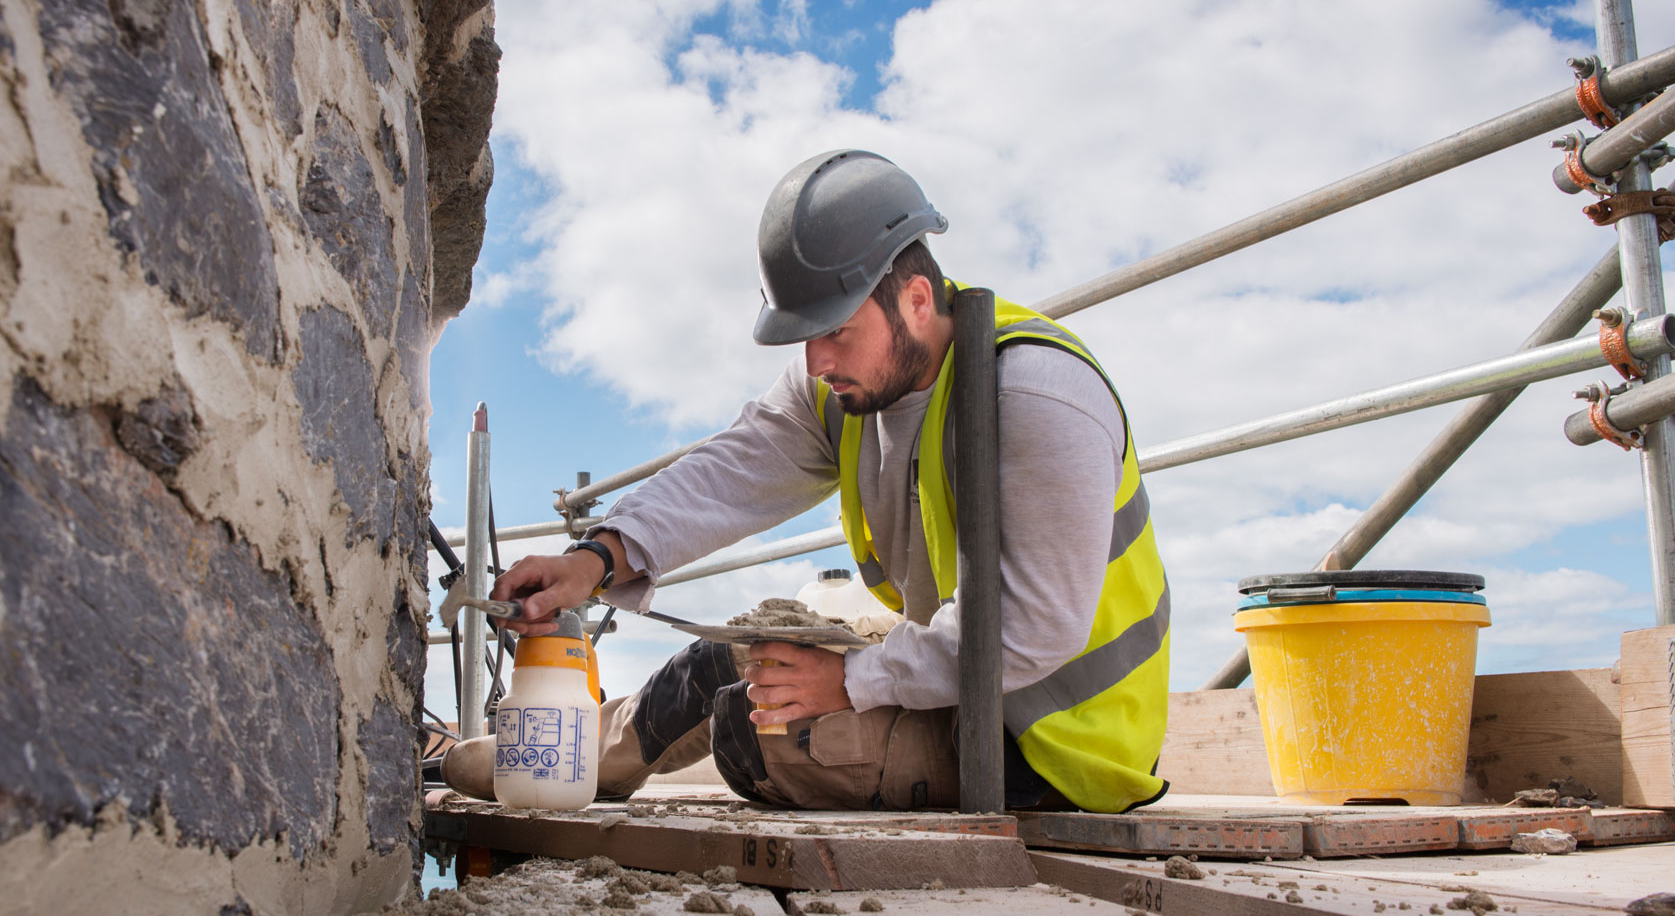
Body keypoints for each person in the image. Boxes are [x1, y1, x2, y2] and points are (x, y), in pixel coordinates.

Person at [443, 150, 1170, 813]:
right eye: (804, 336)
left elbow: (1032, 624)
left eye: (835, 331)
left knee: (754, 730)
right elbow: (732, 471)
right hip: (961, 671)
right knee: (732, 656)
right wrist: (593, 561)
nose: (817, 360)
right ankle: (566, 762)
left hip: (1059, 741)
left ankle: (588, 758)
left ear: (917, 298)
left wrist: (852, 682)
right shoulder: (843, 385)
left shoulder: (1038, 395)